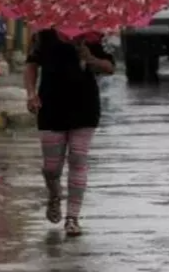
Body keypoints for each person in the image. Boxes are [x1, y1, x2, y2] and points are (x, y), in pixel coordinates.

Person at [24, 29, 116, 237]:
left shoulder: (95, 36)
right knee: (51, 167)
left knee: (78, 157)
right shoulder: (42, 35)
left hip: (85, 105)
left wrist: (90, 58)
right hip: (50, 106)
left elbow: (110, 67)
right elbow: (30, 66)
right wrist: (31, 94)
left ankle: (72, 218)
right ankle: (54, 193)